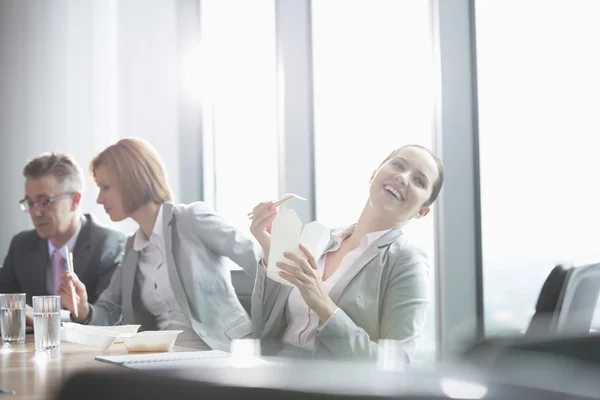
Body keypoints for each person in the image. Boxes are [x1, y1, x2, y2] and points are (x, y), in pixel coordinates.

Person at [59, 138, 261, 350]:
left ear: (131, 180)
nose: (100, 199)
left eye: (105, 187)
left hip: (224, 350)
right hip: (168, 358)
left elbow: (257, 260)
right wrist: (83, 309)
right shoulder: (133, 248)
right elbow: (109, 311)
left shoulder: (192, 219)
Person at [249, 144, 443, 362]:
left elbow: (396, 364)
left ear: (422, 211)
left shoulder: (407, 261)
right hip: (271, 375)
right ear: (374, 174)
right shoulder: (320, 237)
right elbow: (263, 328)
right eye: (398, 165)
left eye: (419, 181)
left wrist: (323, 304)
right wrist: (270, 253)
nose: (403, 177)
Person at [0, 153, 126, 325]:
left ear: (75, 200)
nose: (36, 212)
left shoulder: (109, 245)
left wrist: (40, 315)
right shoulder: (21, 245)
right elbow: (4, 304)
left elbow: (112, 319)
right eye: (30, 203)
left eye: (45, 201)